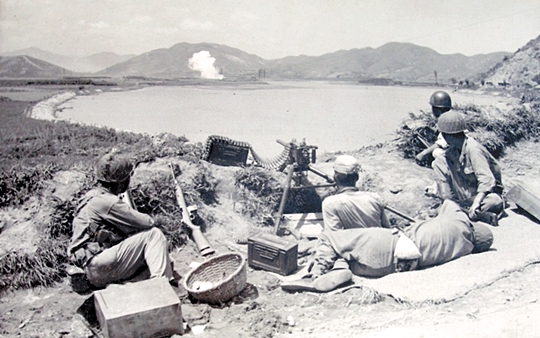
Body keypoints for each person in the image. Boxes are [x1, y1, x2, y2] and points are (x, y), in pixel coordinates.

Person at [281, 199, 493, 292]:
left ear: (473, 227)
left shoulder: (460, 221)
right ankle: (340, 270)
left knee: (331, 238)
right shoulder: (465, 248)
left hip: (393, 243)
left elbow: (448, 203)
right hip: (393, 266)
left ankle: (315, 274)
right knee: (347, 256)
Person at [68, 151, 174, 289]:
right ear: (120, 182)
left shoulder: (91, 196)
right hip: (97, 265)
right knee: (154, 235)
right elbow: (147, 222)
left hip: (87, 265)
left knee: (161, 260)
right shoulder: (108, 202)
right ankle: (162, 290)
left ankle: (132, 288)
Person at [432, 111, 504, 219]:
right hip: (465, 197)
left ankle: (459, 211)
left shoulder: (473, 149)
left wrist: (476, 203)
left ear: (448, 136)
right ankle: (452, 205)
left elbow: (487, 180)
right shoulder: (453, 149)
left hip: (484, 196)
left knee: (494, 201)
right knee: (438, 162)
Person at [322, 155, 391, 231]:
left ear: (335, 177)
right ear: (357, 177)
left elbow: (333, 236)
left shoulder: (330, 203)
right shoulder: (375, 198)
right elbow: (387, 230)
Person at [415, 91, 452, 163]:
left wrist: (423, 154)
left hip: (457, 152)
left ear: (438, 109)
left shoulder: (446, 120)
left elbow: (442, 143)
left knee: (436, 152)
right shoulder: (449, 116)